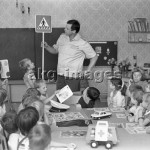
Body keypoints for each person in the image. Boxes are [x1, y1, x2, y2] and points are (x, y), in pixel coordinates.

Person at [42, 19, 98, 92]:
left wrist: (88, 70)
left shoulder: (82, 43)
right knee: (60, 97)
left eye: (67, 28)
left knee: (71, 99)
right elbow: (55, 51)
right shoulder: (62, 38)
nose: (64, 29)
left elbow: (94, 56)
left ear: (73, 31)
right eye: (65, 27)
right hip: (60, 75)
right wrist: (47, 47)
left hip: (73, 77)